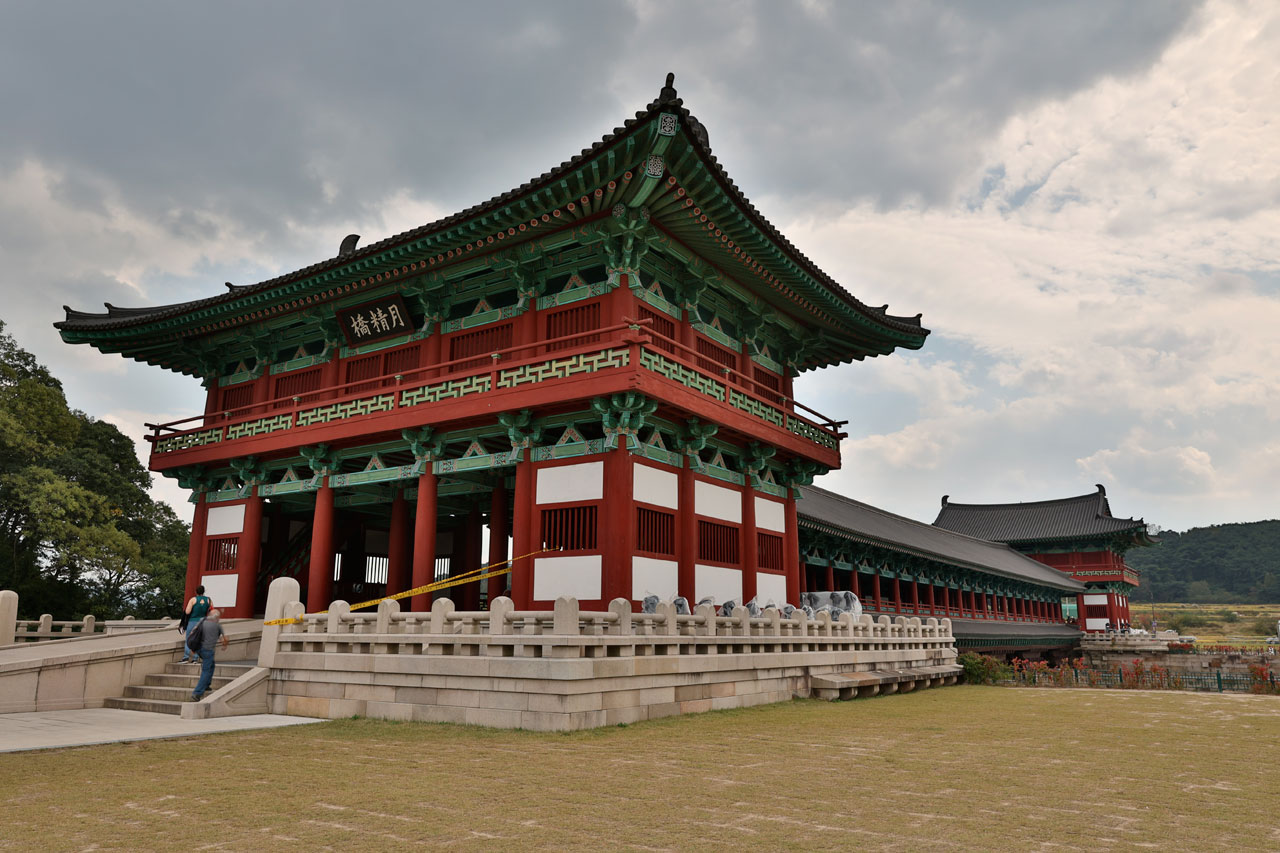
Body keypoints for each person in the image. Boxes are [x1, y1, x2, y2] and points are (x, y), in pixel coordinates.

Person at [189, 609, 230, 701]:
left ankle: (207, 684)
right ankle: (197, 693)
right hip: (208, 650)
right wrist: (225, 645)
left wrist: (193, 648)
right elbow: (224, 639)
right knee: (206, 671)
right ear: (217, 618)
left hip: (199, 648)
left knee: (212, 665)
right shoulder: (218, 626)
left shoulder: (202, 621)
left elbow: (193, 632)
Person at [179, 585, 213, 664]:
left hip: (192, 621)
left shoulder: (193, 599)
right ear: (204, 591)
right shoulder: (208, 600)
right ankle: (195, 658)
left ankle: (186, 657)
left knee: (189, 639)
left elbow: (187, 611)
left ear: (196, 592)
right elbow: (212, 611)